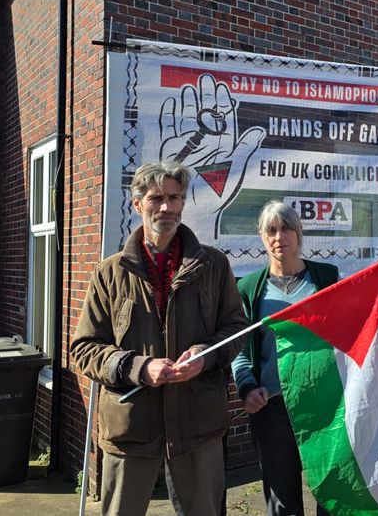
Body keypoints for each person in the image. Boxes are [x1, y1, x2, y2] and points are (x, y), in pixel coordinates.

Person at [71, 161, 248, 516]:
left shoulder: (214, 265)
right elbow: (84, 349)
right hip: (130, 427)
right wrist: (138, 367)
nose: (166, 207)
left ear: (183, 202)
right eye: (156, 198)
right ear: (138, 204)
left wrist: (205, 356)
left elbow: (236, 330)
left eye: (174, 197)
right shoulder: (110, 272)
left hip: (198, 423)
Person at [232, 201, 339, 516]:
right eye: (272, 230)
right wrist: (246, 387)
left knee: (333, 492)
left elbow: (344, 336)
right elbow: (240, 350)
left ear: (299, 232)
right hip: (273, 409)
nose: (280, 237)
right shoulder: (249, 288)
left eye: (287, 228)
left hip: (324, 406)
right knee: (282, 501)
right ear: (262, 237)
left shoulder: (326, 277)